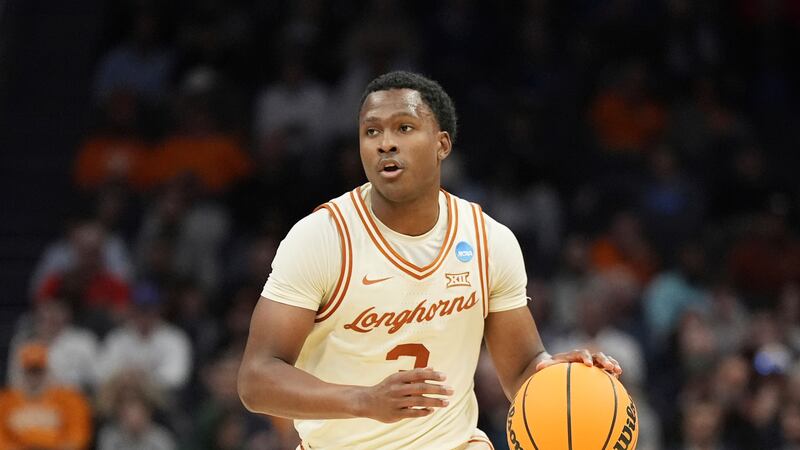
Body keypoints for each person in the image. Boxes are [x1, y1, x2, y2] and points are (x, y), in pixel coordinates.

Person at [237, 71, 622, 449]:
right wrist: (364, 400)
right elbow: (256, 379)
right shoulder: (320, 237)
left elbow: (522, 369)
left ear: (442, 144)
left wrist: (559, 378)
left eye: (404, 128)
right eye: (372, 132)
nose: (385, 143)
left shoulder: (488, 240)